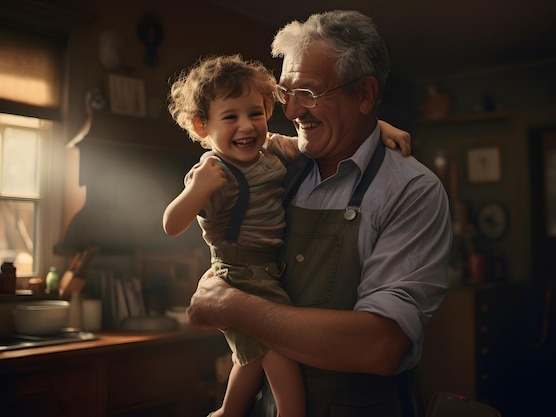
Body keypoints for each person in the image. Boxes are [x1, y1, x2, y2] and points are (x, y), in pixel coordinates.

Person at [163, 54, 412, 417]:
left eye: (255, 113)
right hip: (240, 273)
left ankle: (228, 413)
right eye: (230, 117)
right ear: (203, 127)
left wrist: (378, 130)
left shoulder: (273, 148)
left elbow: (324, 143)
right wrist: (196, 190)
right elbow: (172, 225)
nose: (247, 126)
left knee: (253, 355)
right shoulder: (211, 171)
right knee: (278, 353)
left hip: (268, 269)